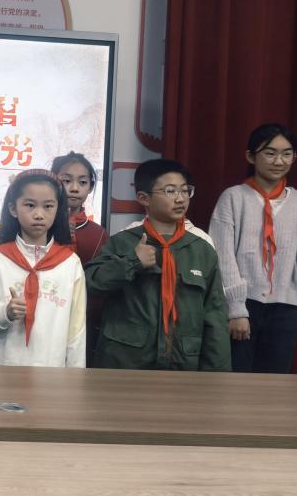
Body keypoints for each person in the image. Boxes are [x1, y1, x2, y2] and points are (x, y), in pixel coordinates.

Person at [86, 159, 230, 371]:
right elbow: (90, 283)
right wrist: (132, 262)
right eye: (170, 191)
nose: (180, 198)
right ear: (143, 198)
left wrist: (218, 375)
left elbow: (215, 315)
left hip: (184, 362)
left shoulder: (202, 249)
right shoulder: (123, 242)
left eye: (185, 190)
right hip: (126, 361)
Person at [0, 169, 86, 367]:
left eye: (48, 206)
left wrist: (75, 375)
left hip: (52, 370)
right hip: (4, 367)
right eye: (30, 205)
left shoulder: (70, 263)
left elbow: (77, 330)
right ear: (13, 209)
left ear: (57, 209)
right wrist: (4, 312)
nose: (39, 214)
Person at [209, 124, 297, 373]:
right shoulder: (233, 197)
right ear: (250, 156)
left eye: (287, 154)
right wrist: (236, 309)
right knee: (237, 380)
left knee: (275, 381)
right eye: (270, 153)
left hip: (286, 307)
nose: (279, 161)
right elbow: (222, 256)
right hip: (244, 304)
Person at [51, 151, 109, 366]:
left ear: (91, 187)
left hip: (83, 320)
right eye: (66, 181)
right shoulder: (39, 226)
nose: (74, 188)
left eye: (82, 182)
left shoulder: (98, 233)